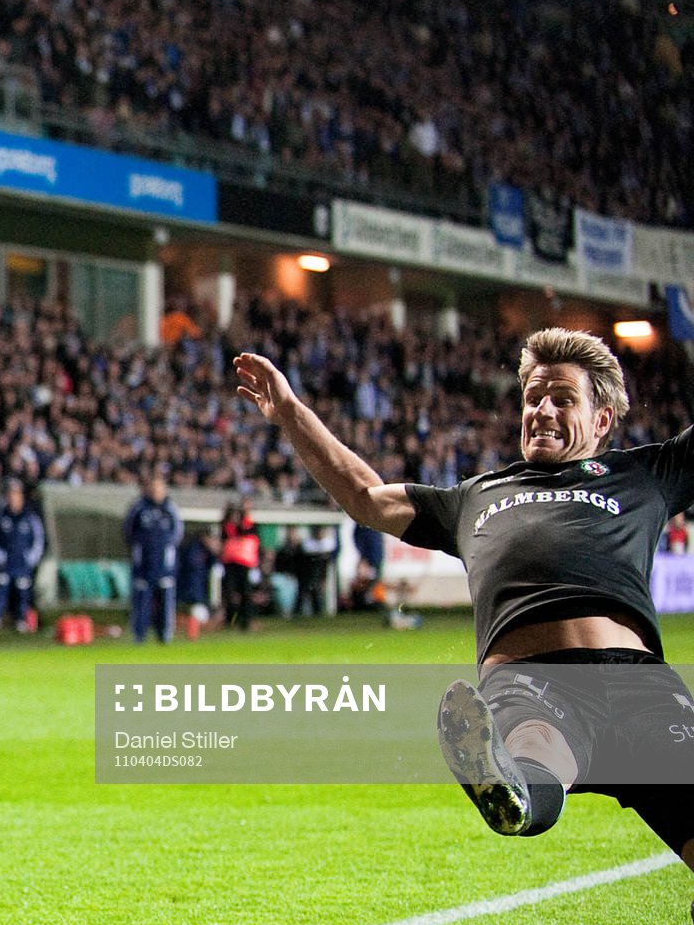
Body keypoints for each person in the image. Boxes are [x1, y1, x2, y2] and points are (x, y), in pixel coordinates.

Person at [236, 329, 694, 885]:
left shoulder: (644, 475)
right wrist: (289, 412)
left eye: (563, 399)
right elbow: (367, 498)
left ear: (601, 420)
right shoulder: (476, 496)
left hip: (639, 689)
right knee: (534, 754)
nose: (542, 410)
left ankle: (519, 784)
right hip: (533, 683)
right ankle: (511, 786)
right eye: (533, 397)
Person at [125, 473, 183, 643]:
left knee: (166, 601)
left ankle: (164, 635)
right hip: (143, 565)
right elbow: (128, 532)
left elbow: (177, 534)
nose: (156, 491)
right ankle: (139, 635)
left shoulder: (170, 509)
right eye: (153, 488)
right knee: (141, 601)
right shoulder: (139, 509)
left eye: (159, 488)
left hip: (165, 565)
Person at [0, 479, 45, 631]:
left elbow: (38, 539)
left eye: (17, 496)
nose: (14, 499)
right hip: (5, 564)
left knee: (23, 593)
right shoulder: (1, 517)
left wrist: (31, 558)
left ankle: (21, 620)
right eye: (11, 496)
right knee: (1, 589)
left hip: (22, 563)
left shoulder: (30, 518)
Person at [218, 502, 259, 630]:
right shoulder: (227, 527)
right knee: (230, 592)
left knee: (245, 593)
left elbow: (246, 531)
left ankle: (246, 620)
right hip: (230, 562)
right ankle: (231, 620)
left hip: (244, 562)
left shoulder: (247, 525)